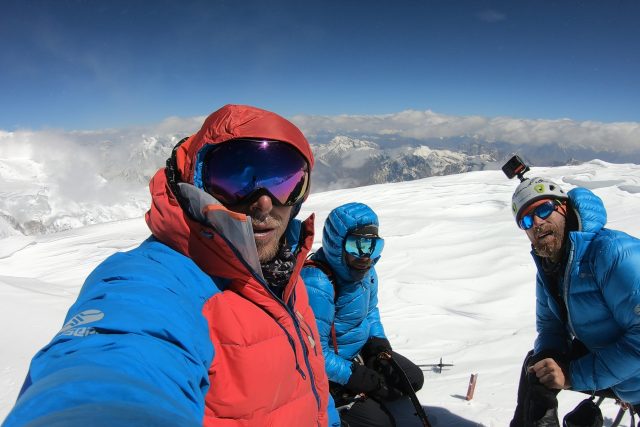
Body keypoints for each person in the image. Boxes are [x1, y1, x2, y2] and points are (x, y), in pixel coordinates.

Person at [2, 104, 340, 427]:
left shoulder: (287, 271)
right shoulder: (158, 279)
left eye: (285, 182)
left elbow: (312, 383)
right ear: (195, 184)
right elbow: (113, 359)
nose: (265, 203)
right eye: (236, 182)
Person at [507, 175, 640, 426]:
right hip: (618, 372)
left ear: (564, 208)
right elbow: (549, 327)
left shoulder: (611, 254)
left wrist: (571, 375)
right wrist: (549, 359)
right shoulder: (550, 268)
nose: (537, 222)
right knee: (536, 365)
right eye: (526, 220)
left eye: (544, 209)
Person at [301, 202, 424, 427]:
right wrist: (352, 375)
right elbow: (313, 353)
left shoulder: (366, 271)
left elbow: (370, 311)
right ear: (337, 243)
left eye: (372, 246)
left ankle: (367, 392)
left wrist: (377, 342)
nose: (365, 255)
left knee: (411, 380)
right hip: (328, 370)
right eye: (356, 245)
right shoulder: (317, 283)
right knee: (382, 424)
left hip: (359, 353)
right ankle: (337, 403)